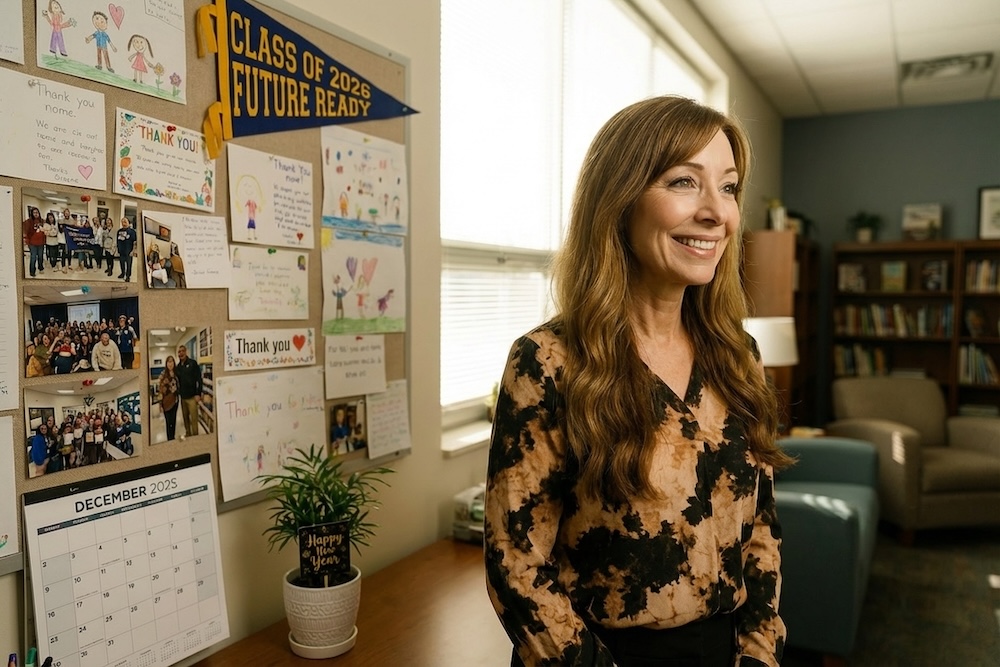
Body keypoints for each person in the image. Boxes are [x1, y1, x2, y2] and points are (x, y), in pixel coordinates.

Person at [483, 96, 791, 667]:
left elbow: (762, 528)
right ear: (619, 200)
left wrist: (758, 652)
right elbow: (515, 562)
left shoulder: (739, 356)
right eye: (683, 182)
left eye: (728, 188)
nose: (715, 213)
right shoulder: (547, 362)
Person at [175, 345, 202, 438]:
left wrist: (198, 393)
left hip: (192, 398)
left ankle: (195, 437)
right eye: (179, 352)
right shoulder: (178, 367)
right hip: (183, 398)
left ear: (186, 352)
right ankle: (188, 433)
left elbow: (199, 379)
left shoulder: (193, 363)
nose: (181, 353)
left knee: (194, 419)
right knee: (185, 418)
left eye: (182, 351)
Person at [158, 355, 180, 441]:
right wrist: (160, 404)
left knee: (173, 421)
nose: (170, 364)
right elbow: (160, 391)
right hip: (166, 402)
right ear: (166, 363)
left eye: (172, 362)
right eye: (168, 362)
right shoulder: (163, 374)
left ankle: (173, 438)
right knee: (168, 422)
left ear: (174, 363)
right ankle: (169, 440)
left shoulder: (177, 374)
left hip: (175, 401)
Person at [22, 206, 45, 277]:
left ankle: (40, 268)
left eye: (37, 212)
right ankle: (32, 271)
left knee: (41, 256)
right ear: (32, 213)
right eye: (34, 212)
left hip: (41, 242)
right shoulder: (28, 222)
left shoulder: (42, 221)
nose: (36, 214)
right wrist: (27, 242)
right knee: (33, 257)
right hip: (32, 243)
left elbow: (46, 230)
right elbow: (25, 232)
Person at [116, 217, 137, 281]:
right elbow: (117, 241)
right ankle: (122, 273)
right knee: (121, 263)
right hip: (121, 251)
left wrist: (133, 251)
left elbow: (135, 242)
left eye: (125, 221)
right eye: (122, 222)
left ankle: (128, 276)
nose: (123, 223)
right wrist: (117, 249)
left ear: (128, 222)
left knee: (128, 264)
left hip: (129, 251)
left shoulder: (132, 231)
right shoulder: (119, 231)